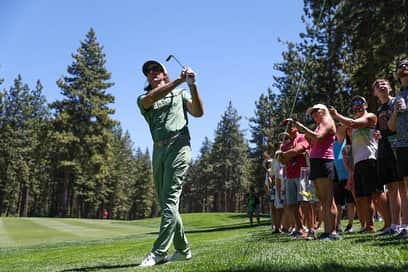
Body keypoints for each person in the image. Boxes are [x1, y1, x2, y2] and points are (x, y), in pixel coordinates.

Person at [137, 60, 204, 267]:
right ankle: (183, 250)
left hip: (179, 144)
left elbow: (198, 112)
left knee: (170, 200)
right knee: (166, 201)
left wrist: (192, 84)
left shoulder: (180, 93)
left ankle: (159, 251)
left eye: (156, 69)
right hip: (158, 149)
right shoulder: (143, 98)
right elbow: (150, 99)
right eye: (149, 71)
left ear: (164, 73)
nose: (152, 72)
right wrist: (179, 80)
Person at [286, 104, 339, 240]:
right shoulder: (320, 124)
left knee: (327, 200)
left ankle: (332, 232)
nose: (314, 114)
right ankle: (328, 231)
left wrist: (300, 127)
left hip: (324, 161)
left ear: (324, 111)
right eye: (312, 113)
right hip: (316, 162)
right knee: (322, 200)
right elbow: (313, 141)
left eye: (317, 111)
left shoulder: (327, 121)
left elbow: (318, 137)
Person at [330, 96, 378, 233]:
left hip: (370, 159)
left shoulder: (370, 116)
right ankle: (367, 225)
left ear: (366, 104)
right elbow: (340, 135)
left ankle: (386, 224)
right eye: (354, 103)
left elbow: (353, 123)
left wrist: (336, 115)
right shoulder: (352, 127)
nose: (357, 105)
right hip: (358, 163)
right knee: (362, 197)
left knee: (374, 196)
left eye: (360, 102)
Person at [372, 79, 404, 235]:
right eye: (377, 85)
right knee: (391, 187)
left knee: (402, 185)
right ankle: (394, 225)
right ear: (375, 93)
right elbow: (380, 130)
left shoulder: (397, 101)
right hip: (385, 148)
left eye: (384, 83)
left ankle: (403, 224)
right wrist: (377, 134)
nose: (381, 86)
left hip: (398, 145)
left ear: (390, 87)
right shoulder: (379, 110)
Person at [276, 121, 315, 240]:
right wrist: (286, 155)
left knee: (305, 202)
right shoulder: (284, 144)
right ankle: (299, 228)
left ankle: (311, 229)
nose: (288, 128)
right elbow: (282, 161)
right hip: (289, 176)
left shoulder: (303, 137)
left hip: (302, 175)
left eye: (290, 125)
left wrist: (285, 154)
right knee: (292, 204)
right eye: (285, 126)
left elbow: (298, 150)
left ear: (296, 127)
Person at [389, 58, 408, 238]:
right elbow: (391, 127)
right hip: (402, 145)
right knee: (406, 187)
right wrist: (396, 112)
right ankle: (406, 226)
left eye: (406, 64)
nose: (403, 67)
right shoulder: (397, 97)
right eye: (400, 66)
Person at [333, 123, 356, 233]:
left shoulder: (349, 142)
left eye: (341, 128)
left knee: (350, 202)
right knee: (337, 203)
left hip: (349, 177)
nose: (338, 130)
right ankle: (337, 225)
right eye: (337, 128)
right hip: (337, 178)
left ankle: (350, 224)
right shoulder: (332, 144)